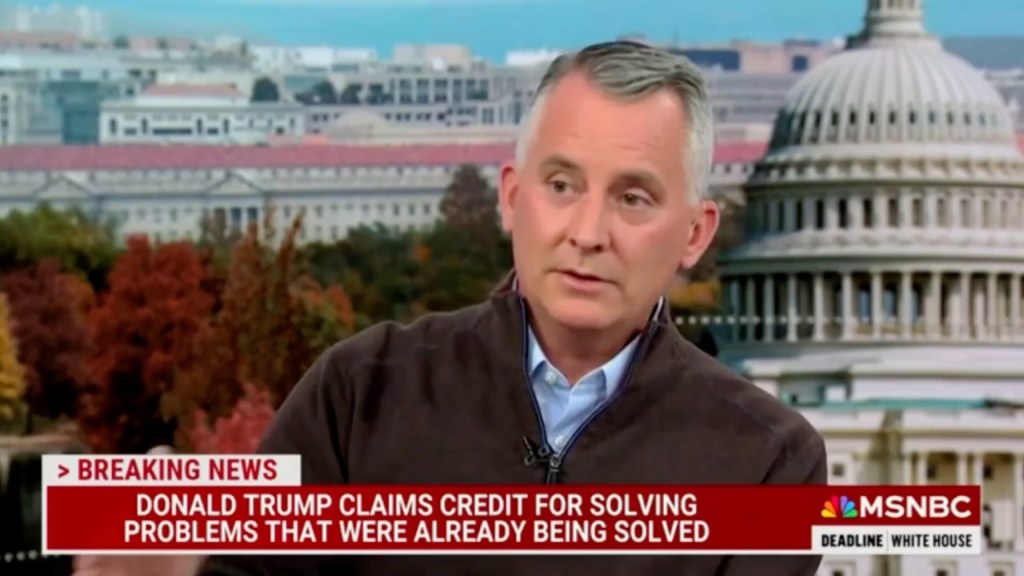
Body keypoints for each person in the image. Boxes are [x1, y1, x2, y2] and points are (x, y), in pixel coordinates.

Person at [84, 40, 828, 576]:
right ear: (512, 197)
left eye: (632, 197)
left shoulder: (767, 459)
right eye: (561, 185)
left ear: (694, 233)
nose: (588, 233)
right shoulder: (361, 390)